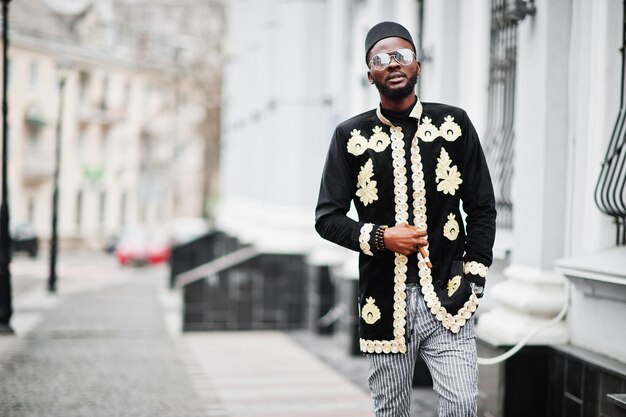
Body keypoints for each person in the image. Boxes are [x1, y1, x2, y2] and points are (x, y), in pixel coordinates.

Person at [315, 21, 496, 417]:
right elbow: (327, 217)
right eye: (381, 59)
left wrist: (475, 277)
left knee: (462, 405)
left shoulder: (454, 125)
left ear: (418, 65)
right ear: (370, 75)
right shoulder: (350, 136)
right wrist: (381, 237)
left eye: (402, 56)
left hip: (449, 297)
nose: (392, 64)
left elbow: (481, 206)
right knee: (392, 410)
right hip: (383, 301)